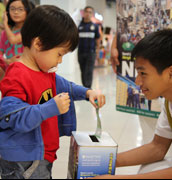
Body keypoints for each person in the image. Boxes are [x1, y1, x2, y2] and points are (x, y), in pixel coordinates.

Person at [0, 5, 106, 179]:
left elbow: (68, 87)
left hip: (41, 154)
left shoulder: (45, 72)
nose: (60, 60)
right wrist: (50, 108)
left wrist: (88, 93)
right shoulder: (17, 74)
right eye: (59, 54)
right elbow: (13, 116)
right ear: (38, 43)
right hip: (24, 160)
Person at [95, 29, 172, 179]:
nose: (137, 82)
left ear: (171, 74)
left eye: (143, 73)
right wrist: (107, 161)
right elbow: (157, 147)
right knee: (148, 170)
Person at [0, 0, 34, 69]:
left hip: (27, 69)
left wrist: (5, 24)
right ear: (7, 12)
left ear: (27, 11)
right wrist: (7, 61)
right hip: (9, 70)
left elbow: (13, 40)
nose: (16, 12)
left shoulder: (30, 29)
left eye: (20, 9)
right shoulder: (4, 33)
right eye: (12, 9)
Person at [78, 6, 101, 88]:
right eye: (86, 12)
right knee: (83, 70)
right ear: (83, 13)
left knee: (89, 70)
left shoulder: (95, 26)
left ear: (92, 14)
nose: (88, 13)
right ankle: (84, 87)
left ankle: (88, 88)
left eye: (90, 12)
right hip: (80, 52)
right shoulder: (79, 26)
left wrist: (97, 50)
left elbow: (98, 39)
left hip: (91, 52)